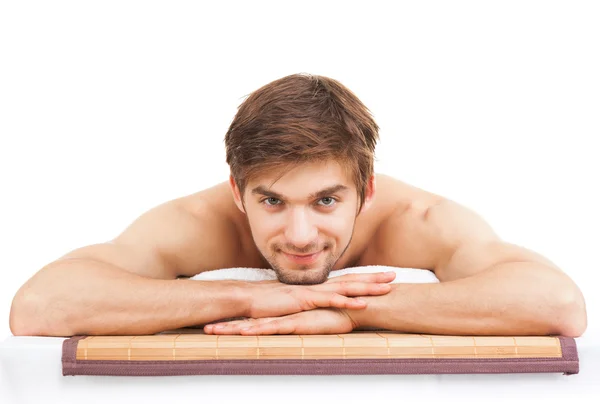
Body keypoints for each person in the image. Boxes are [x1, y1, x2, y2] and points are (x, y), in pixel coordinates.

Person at [9, 73, 587, 338]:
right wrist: (256, 297)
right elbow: (41, 306)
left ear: (367, 191)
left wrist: (355, 310)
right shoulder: (195, 222)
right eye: (272, 201)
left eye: (327, 200)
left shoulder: (421, 220)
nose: (301, 233)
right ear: (238, 194)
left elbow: (558, 304)